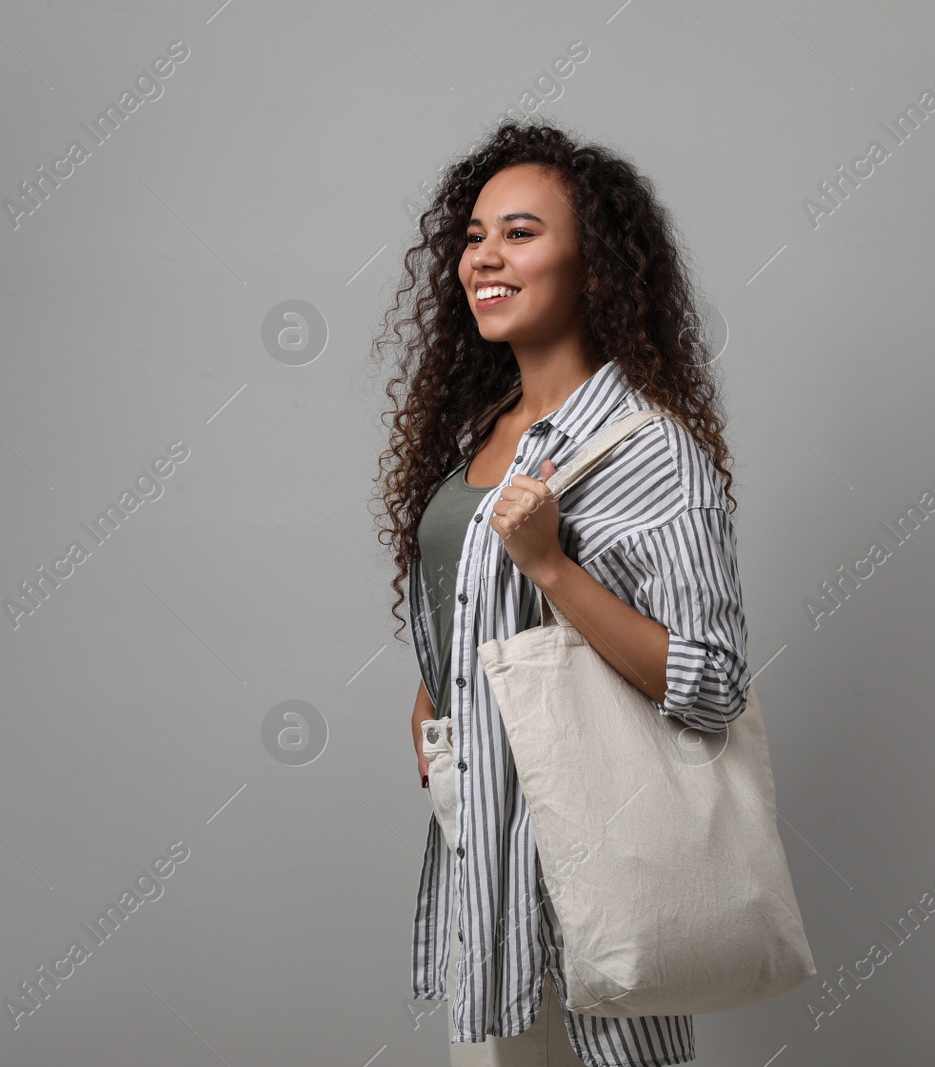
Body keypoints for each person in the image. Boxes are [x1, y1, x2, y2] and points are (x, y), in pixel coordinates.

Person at [371, 118, 751, 1066]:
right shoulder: (484, 430)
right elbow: (462, 592)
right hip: (484, 830)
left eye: (522, 233)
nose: (484, 258)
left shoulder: (649, 450)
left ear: (596, 266)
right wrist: (435, 696)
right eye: (473, 236)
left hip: (594, 834)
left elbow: (712, 684)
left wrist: (550, 565)